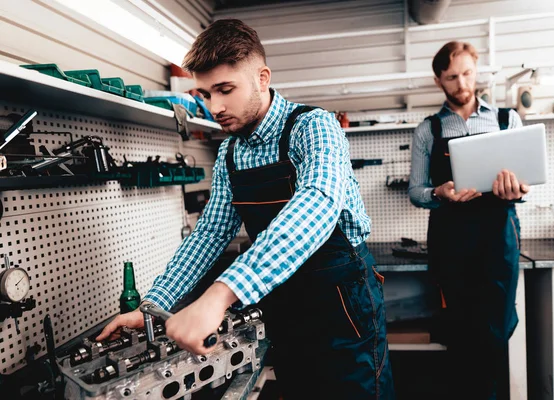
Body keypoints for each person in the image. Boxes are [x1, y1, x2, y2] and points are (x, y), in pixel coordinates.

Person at [97, 18, 395, 400]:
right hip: (284, 303)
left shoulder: (314, 127)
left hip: (342, 304)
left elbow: (317, 203)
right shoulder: (230, 153)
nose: (215, 107)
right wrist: (155, 306)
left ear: (262, 78)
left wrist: (222, 293)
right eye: (205, 94)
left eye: (225, 89)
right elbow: (211, 233)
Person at [408, 41, 529, 400]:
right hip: (451, 245)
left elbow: (526, 183)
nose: (461, 84)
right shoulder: (428, 130)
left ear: (475, 71)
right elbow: (416, 191)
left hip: (499, 243)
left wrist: (516, 190)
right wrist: (439, 194)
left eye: (467, 74)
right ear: (438, 81)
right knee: (459, 334)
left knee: (495, 332)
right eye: (451, 77)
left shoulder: (507, 120)